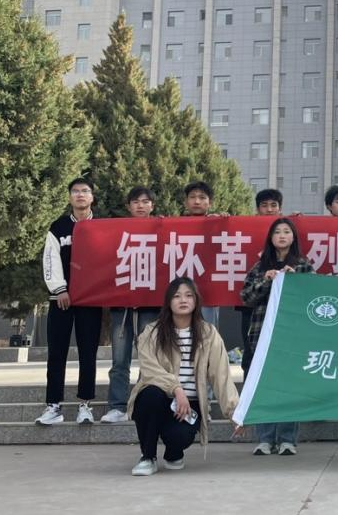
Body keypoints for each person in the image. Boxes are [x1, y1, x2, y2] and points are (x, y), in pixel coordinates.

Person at [128, 277, 242, 475]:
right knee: (150, 395)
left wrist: (235, 413)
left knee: (180, 436)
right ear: (168, 301)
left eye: (189, 295)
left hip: (189, 404)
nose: (183, 300)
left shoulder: (208, 333)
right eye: (177, 296)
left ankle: (174, 453)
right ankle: (148, 457)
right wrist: (176, 389)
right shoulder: (152, 332)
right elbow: (150, 370)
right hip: (160, 397)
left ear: (196, 301)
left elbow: (221, 375)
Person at [240, 217, 315, 455]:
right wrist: (266, 280)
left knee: (288, 387)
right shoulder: (260, 266)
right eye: (277, 232)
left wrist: (295, 282)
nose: (282, 236)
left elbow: (314, 299)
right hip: (263, 334)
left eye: (286, 232)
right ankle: (264, 439)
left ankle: (287, 440)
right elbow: (246, 297)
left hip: (292, 336)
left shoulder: (303, 265)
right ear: (270, 238)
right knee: (264, 386)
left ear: (294, 238)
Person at [35, 178, 103, 425]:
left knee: (88, 353)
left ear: (92, 197)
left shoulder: (102, 226)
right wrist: (60, 289)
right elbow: (50, 259)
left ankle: (85, 405)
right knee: (57, 352)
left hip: (91, 300)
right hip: (61, 299)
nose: (80, 195)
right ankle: (53, 406)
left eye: (85, 191)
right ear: (70, 197)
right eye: (75, 191)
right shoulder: (59, 227)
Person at [102, 187, 162, 423]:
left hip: (150, 306)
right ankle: (117, 406)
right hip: (122, 308)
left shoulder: (162, 229)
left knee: (149, 358)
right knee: (119, 360)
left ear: (152, 206)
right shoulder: (118, 231)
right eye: (135, 202)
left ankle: (140, 404)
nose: (140, 206)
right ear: (128, 206)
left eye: (145, 201)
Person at [238, 188, 283, 377]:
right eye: (264, 205)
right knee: (252, 356)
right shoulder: (245, 228)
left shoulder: (298, 260)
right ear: (257, 209)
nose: (269, 209)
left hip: (283, 312)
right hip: (254, 310)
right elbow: (246, 295)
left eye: (274, 205)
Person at [182, 181, 221, 326]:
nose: (197, 201)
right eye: (192, 197)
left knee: (208, 331)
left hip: (209, 289)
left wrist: (223, 223)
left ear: (210, 203)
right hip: (183, 288)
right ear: (186, 202)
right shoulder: (174, 225)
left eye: (202, 197)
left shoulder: (217, 222)